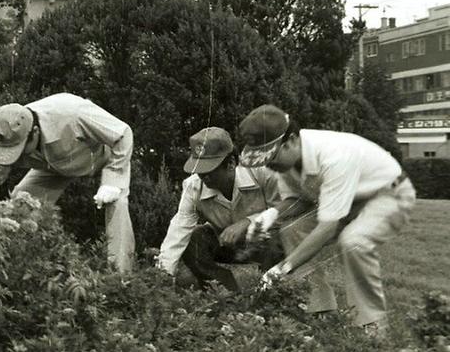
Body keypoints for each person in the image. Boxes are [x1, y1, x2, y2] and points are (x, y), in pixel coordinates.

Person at [240, 104, 416, 336]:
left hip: (388, 194)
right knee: (292, 229)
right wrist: (270, 214)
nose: (268, 165)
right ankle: (320, 311)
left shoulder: (334, 155)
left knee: (354, 241)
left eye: (271, 157)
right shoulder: (288, 161)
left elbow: (327, 227)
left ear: (291, 140)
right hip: (348, 199)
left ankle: (372, 328)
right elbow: (297, 200)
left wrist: (281, 269)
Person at [0, 93, 135, 273]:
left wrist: (113, 180)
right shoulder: (5, 136)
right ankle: (18, 269)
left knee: (117, 204)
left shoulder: (72, 113)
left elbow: (123, 134)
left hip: (101, 157)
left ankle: (121, 278)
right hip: (55, 165)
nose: (17, 156)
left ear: (34, 132)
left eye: (19, 149)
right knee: (19, 206)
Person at [157, 127, 281, 291]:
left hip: (265, 243)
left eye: (209, 170)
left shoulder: (262, 173)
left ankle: (270, 292)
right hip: (227, 245)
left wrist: (247, 222)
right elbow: (179, 229)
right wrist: (163, 275)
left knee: (279, 237)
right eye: (199, 171)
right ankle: (224, 291)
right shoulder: (193, 186)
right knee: (194, 239)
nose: (203, 177)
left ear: (230, 164)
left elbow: (284, 210)